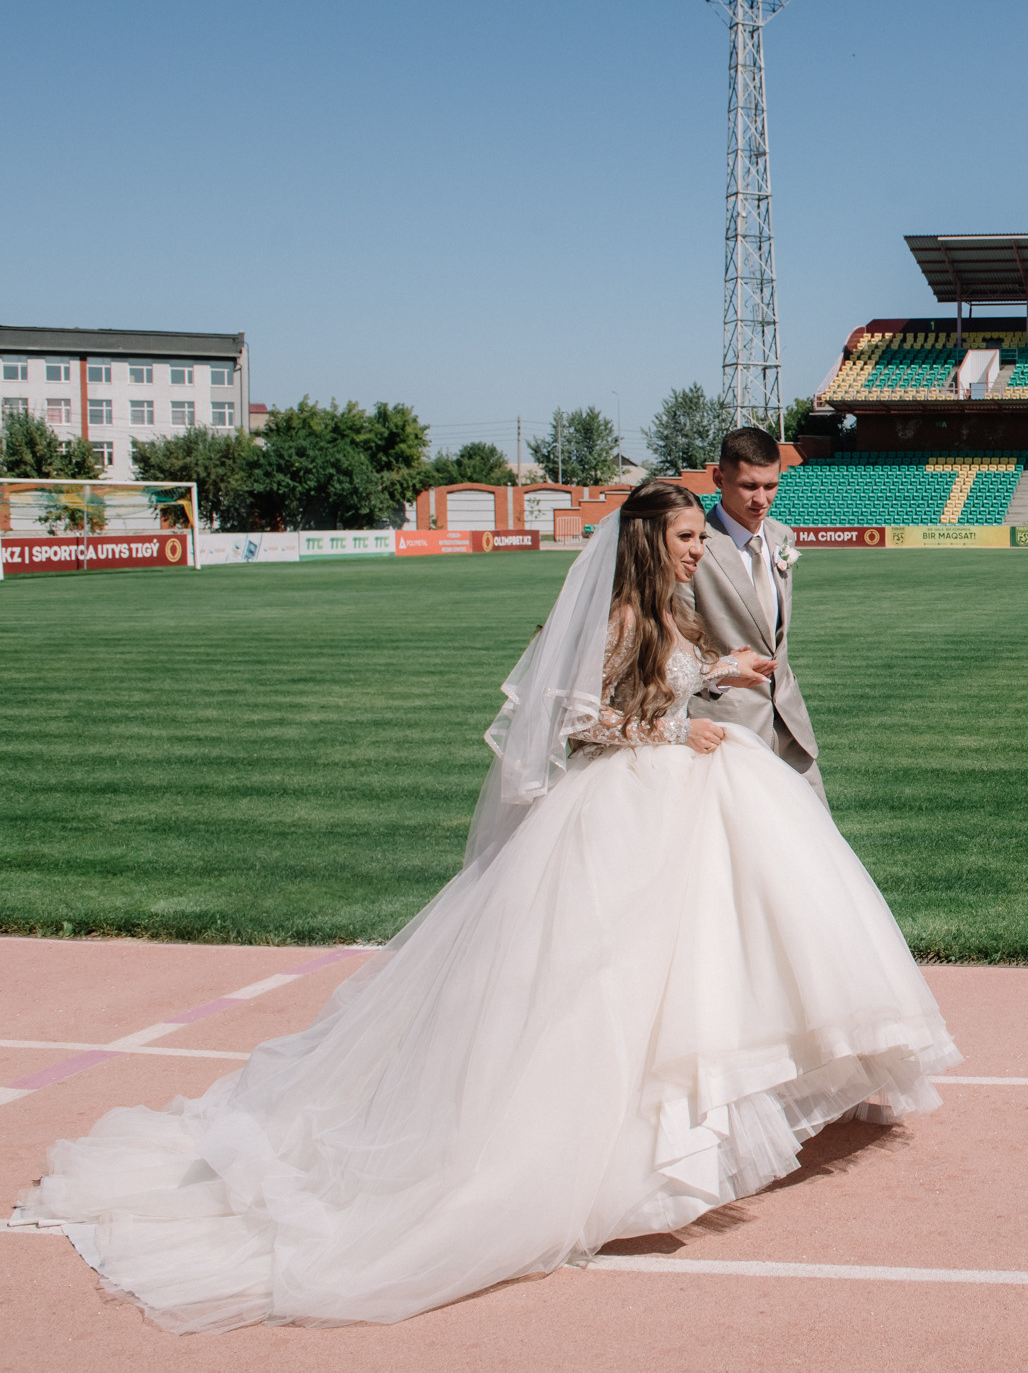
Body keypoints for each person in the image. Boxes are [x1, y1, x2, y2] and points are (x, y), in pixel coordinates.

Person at [13, 479, 960, 1333]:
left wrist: (712, 681)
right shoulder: (619, 618)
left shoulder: (661, 609)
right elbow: (579, 720)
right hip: (627, 805)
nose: (694, 548)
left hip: (674, 791)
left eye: (693, 537)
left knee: (700, 960)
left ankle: (691, 1119)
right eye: (681, 536)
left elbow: (654, 684)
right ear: (646, 542)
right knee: (609, 982)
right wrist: (679, 724)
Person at [687, 427, 825, 804]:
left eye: (771, 486)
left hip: (789, 722)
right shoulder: (692, 543)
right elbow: (674, 646)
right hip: (724, 725)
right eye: (749, 486)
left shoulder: (783, 537)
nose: (761, 499)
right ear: (719, 477)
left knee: (815, 837)